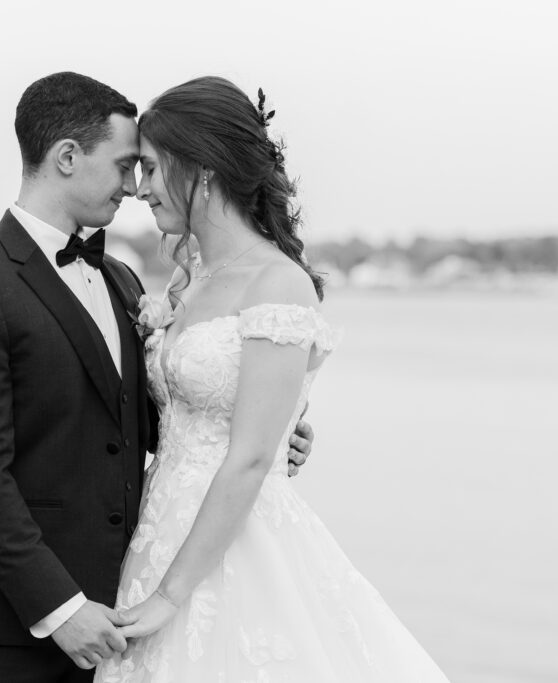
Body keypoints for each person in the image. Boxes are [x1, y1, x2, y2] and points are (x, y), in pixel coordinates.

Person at [0, 72, 315, 683]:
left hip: (121, 611)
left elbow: (152, 423)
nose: (134, 188)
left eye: (145, 169)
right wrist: (59, 608)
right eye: (127, 165)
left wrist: (267, 425)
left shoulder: (123, 281)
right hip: (7, 626)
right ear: (68, 157)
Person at [95, 77, 451, 682]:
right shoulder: (187, 279)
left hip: (234, 543)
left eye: (152, 169)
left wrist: (168, 597)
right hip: (160, 525)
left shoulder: (277, 283)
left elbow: (251, 459)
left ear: (201, 168)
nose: (140, 188)